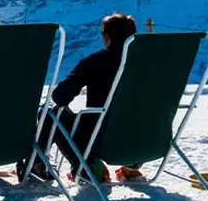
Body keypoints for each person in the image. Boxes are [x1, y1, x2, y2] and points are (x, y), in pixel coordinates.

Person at [35, 12, 144, 182]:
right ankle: (131, 167)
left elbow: (60, 97)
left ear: (107, 37)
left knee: (48, 112)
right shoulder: (148, 63)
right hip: (142, 141)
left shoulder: (96, 62)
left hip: (100, 140)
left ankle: (82, 165)